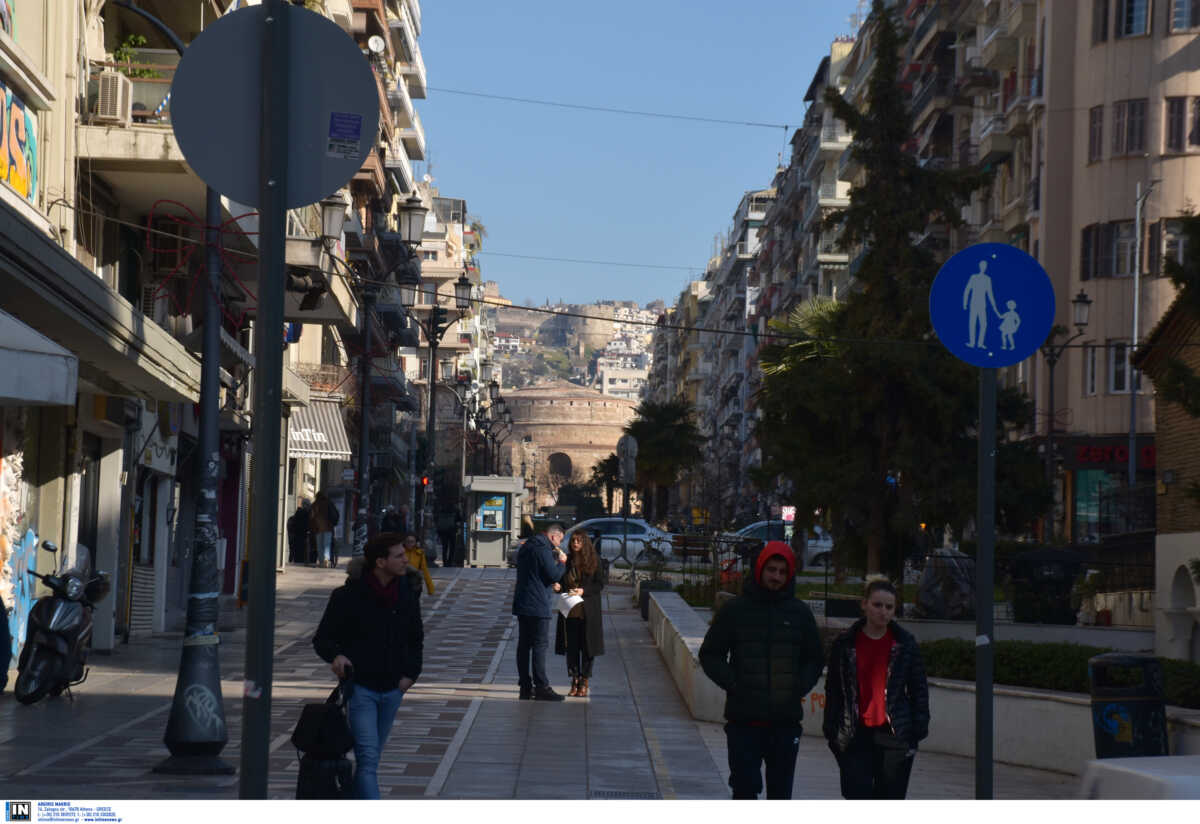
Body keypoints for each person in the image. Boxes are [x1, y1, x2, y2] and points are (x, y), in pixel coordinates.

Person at [699, 541, 823, 800]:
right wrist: (735, 684)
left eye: (782, 571)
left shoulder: (799, 613)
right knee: (744, 791)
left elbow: (815, 659)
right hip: (744, 723)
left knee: (780, 794)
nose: (776, 577)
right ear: (759, 570)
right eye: (771, 570)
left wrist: (798, 686)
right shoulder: (735, 610)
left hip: (785, 724)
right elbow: (710, 655)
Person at [313, 532, 424, 800]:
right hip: (361, 688)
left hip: (393, 689)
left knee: (371, 756)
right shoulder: (348, 596)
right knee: (368, 758)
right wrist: (336, 656)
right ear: (380, 562)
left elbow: (416, 639)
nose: (404, 560)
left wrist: (409, 676)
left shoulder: (407, 594)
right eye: (398, 556)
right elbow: (323, 638)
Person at [823, 578, 930, 800]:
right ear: (864, 604)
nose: (883, 612)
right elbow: (834, 689)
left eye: (889, 607)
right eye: (877, 605)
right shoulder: (845, 644)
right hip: (854, 734)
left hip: (894, 735)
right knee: (856, 794)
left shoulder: (905, 644)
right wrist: (832, 731)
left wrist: (916, 732)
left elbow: (919, 689)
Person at [511, 521, 567, 701]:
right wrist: (562, 563)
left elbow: (535, 573)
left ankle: (525, 686)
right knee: (539, 646)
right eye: (560, 540)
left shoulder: (527, 546)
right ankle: (541, 686)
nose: (559, 545)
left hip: (523, 602)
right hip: (538, 605)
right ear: (553, 536)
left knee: (524, 645)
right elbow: (553, 574)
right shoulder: (543, 549)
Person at [553, 530, 605, 697]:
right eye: (573, 541)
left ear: (585, 543)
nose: (575, 544)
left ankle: (584, 679)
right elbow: (563, 581)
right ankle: (574, 678)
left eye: (579, 541)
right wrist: (558, 587)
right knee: (572, 647)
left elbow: (600, 584)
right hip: (570, 610)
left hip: (588, 610)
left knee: (587, 646)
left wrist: (584, 590)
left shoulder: (594, 560)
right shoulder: (567, 561)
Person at [311, 490, 336, 568]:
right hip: (328, 528)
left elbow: (311, 517)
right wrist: (333, 524)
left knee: (320, 545)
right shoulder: (329, 504)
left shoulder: (315, 504)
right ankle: (326, 559)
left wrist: (312, 527)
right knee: (327, 545)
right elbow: (335, 514)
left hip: (318, 528)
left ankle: (322, 561)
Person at [287, 498, 310, 564]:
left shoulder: (297, 513)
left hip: (296, 537)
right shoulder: (307, 513)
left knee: (296, 552)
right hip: (302, 537)